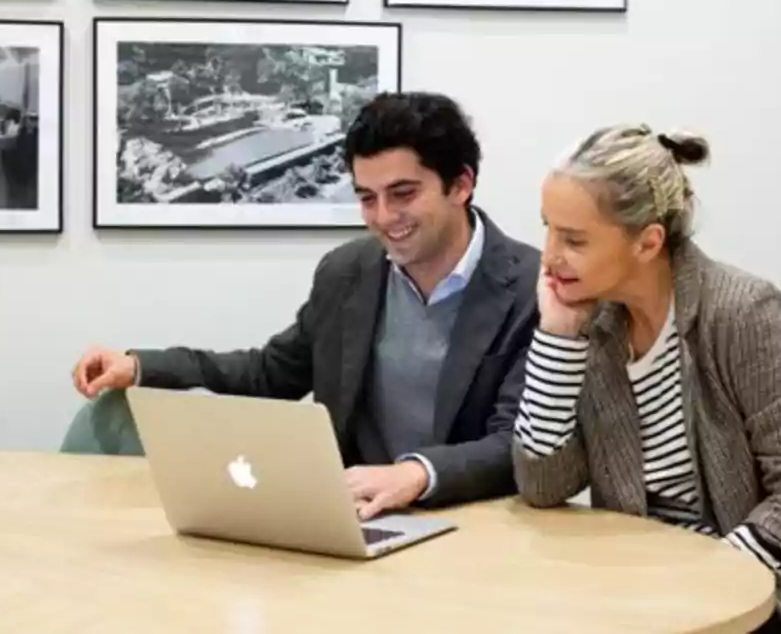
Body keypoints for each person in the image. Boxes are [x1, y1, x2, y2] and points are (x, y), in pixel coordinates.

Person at [512, 124, 781, 633]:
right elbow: (543, 485)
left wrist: (703, 584)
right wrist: (557, 338)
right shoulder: (595, 324)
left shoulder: (742, 313)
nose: (549, 256)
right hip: (653, 588)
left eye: (573, 239)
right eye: (547, 228)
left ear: (648, 242)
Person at [72, 92, 540, 522]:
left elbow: (517, 444)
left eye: (403, 194)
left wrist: (416, 474)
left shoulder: (531, 288)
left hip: (478, 527)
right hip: (358, 522)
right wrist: (140, 366)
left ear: (460, 185)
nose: (382, 218)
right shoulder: (347, 272)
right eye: (366, 198)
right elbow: (270, 374)